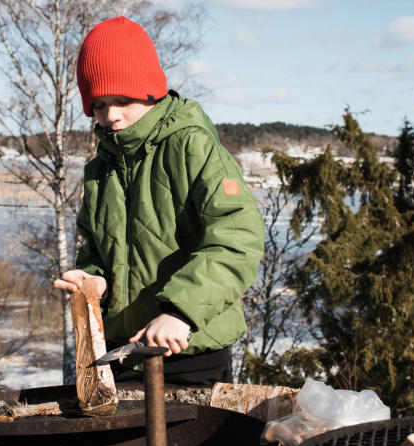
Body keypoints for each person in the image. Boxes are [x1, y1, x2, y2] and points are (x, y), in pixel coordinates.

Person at [53, 16, 264, 386]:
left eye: (122, 100)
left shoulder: (192, 146)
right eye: (99, 104)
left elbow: (238, 239)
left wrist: (180, 312)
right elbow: (96, 253)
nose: (111, 116)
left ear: (149, 92)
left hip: (194, 353)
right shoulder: (99, 171)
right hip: (124, 357)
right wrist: (94, 281)